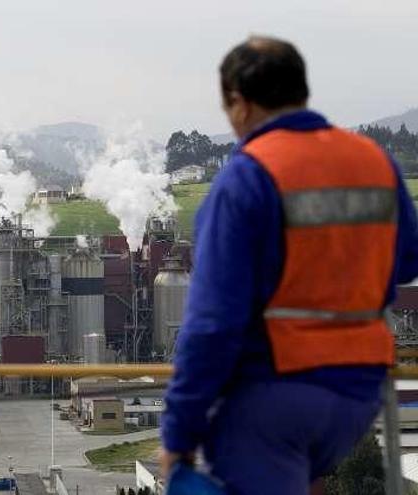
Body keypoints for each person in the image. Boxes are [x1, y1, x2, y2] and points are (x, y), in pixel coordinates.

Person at [161, 35, 418, 495]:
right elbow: (405, 261)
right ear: (301, 90)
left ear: (238, 103)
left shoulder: (246, 177)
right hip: (358, 394)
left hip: (276, 394)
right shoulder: (374, 161)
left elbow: (212, 325)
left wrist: (178, 433)